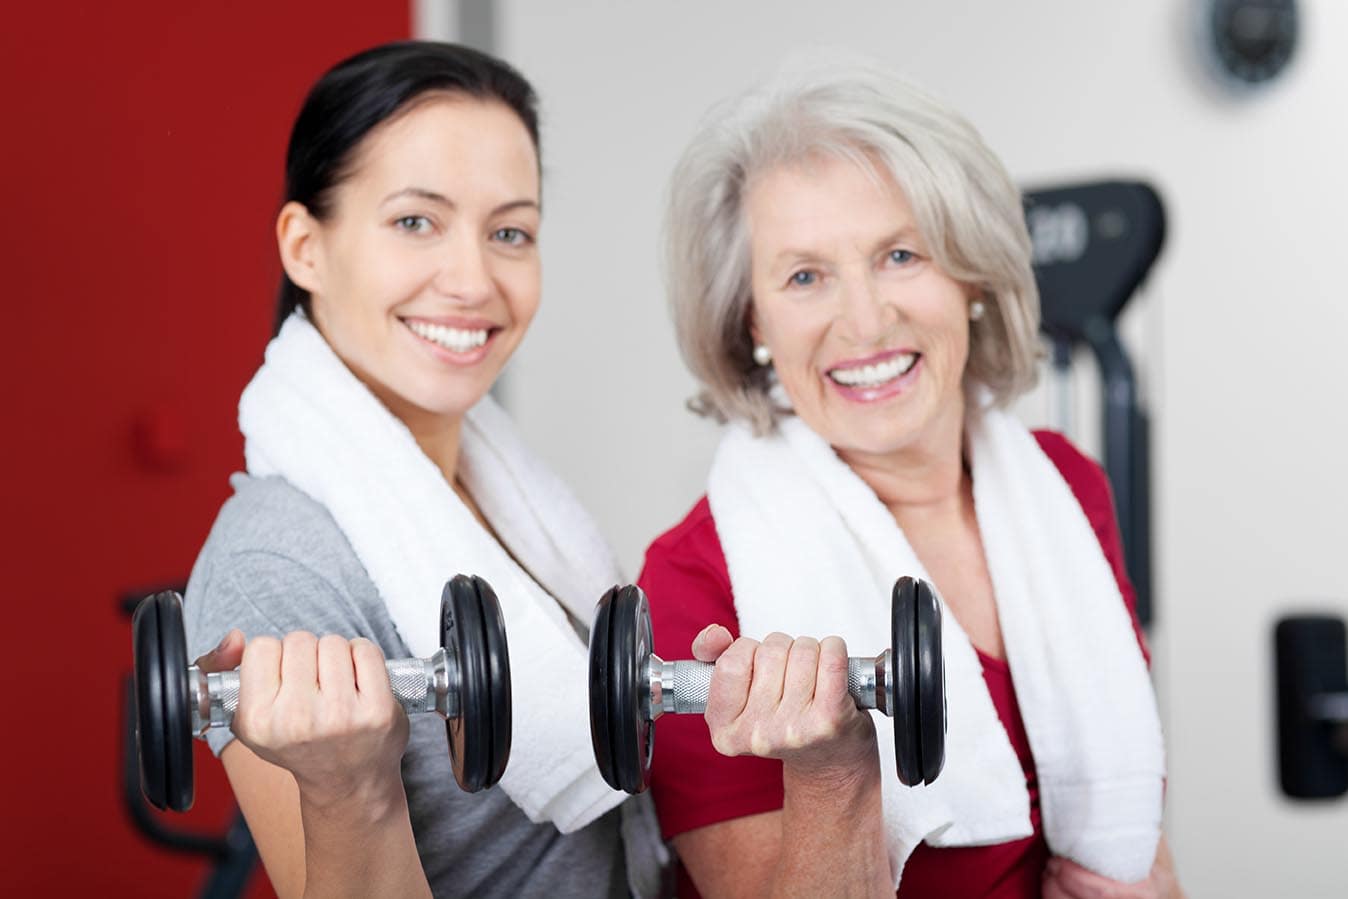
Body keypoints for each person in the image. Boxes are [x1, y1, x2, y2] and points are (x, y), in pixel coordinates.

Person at [638, 61, 1184, 898]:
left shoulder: (1066, 489)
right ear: (753, 319)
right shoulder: (690, 583)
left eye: (899, 254)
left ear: (968, 273)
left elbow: (1140, 830)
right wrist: (832, 776)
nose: (863, 320)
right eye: (805, 276)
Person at [183, 41, 662, 899]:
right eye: (416, 221)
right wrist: (349, 787)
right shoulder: (273, 568)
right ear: (306, 248)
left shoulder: (508, 496)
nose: (474, 279)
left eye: (509, 231)